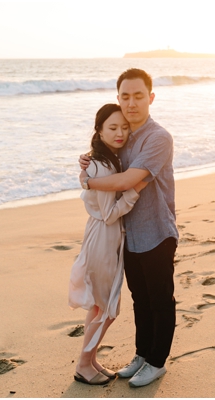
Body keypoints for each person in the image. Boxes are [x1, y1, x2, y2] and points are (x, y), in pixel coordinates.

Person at [78, 68, 179, 388]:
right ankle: (141, 354)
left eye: (138, 96)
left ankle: (157, 361)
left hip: (157, 231)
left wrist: (86, 181)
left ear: (150, 97)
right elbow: (105, 155)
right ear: (118, 98)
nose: (131, 103)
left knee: (160, 299)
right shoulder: (122, 134)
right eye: (125, 96)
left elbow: (126, 181)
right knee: (140, 298)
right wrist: (89, 159)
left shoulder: (157, 137)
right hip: (127, 234)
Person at [68, 104, 148, 385]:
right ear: (99, 130)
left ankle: (89, 360)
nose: (120, 133)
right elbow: (109, 213)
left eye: (124, 128)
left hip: (106, 237)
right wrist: (135, 191)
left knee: (103, 306)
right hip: (103, 237)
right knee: (105, 307)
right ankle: (83, 365)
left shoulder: (107, 160)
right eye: (113, 128)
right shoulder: (99, 165)